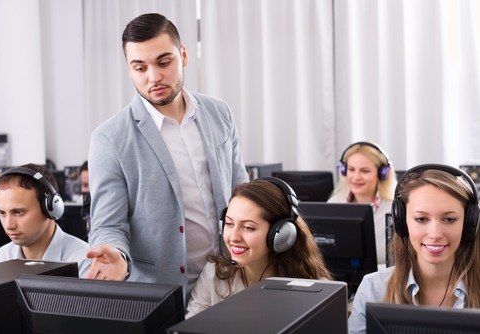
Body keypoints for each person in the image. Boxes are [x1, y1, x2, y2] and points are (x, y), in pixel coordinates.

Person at [86, 13, 248, 297]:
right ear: (129, 70)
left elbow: (242, 192)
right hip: (163, 293)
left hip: (230, 279)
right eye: (140, 68)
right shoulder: (109, 139)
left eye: (164, 63)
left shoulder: (219, 112)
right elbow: (108, 225)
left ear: (183, 55)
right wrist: (116, 256)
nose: (154, 77)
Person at [348, 164, 480, 333]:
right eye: (421, 219)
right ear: (402, 222)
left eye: (449, 219)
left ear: (470, 224)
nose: (435, 234)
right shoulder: (374, 289)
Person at [185, 177, 332, 318]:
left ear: (281, 233)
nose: (234, 237)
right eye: (229, 224)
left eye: (248, 227)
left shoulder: (315, 289)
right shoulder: (214, 274)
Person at [0, 164, 90, 277]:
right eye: (2, 213)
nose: (8, 225)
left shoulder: (85, 262)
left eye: (18, 212)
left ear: (51, 208)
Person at [329, 141, 398, 266]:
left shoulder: (394, 208)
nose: (356, 177)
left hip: (381, 281)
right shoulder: (333, 204)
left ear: (383, 174)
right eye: (351, 169)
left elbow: (399, 263)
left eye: (365, 171)